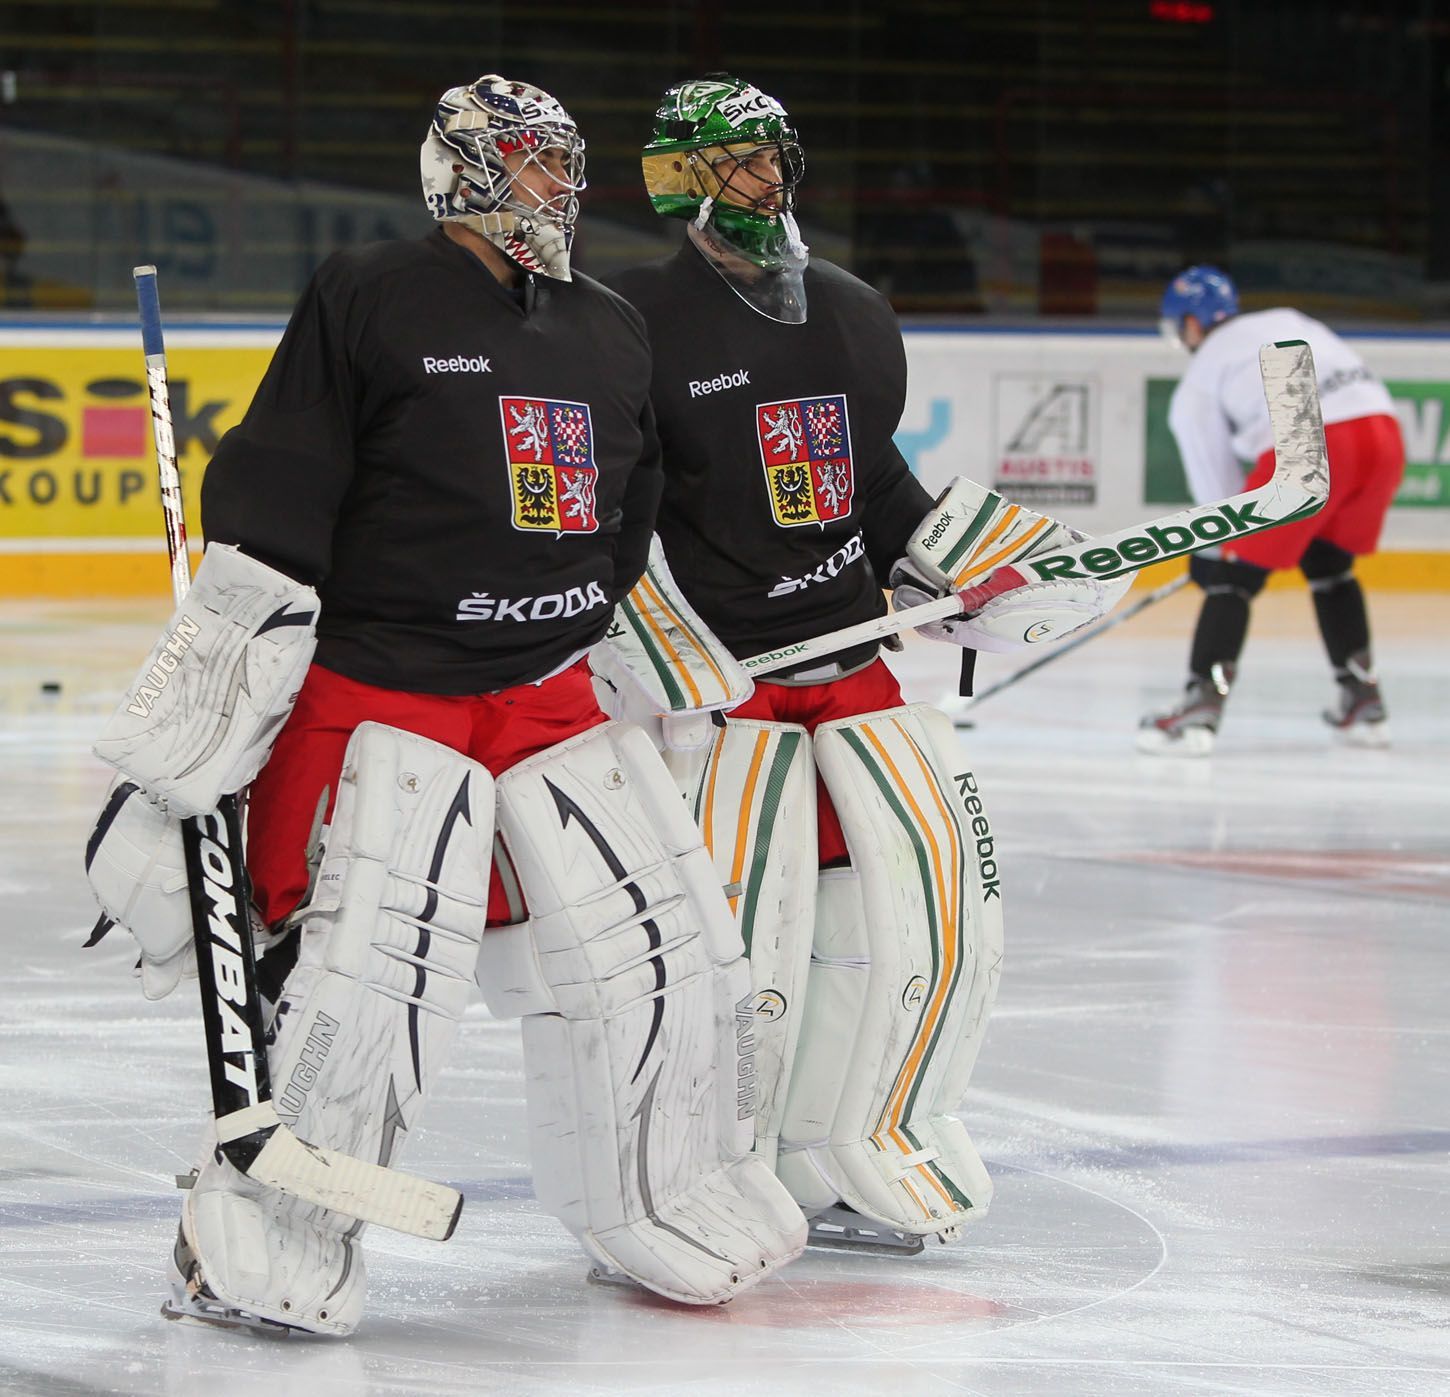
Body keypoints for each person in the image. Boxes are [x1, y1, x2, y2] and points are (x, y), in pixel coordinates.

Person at [84, 74, 805, 1337]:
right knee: (368, 981)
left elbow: (627, 507)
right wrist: (228, 659)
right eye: (532, 165)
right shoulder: (371, 291)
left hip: (545, 692)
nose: (560, 189)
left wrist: (612, 636)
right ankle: (262, 1231)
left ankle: (662, 1186)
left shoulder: (607, 322)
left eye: (566, 164)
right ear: (464, 171)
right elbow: (286, 472)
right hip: (387, 687)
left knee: (665, 949)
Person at [597, 75, 1128, 1252]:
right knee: (740, 933)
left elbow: (871, 490)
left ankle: (849, 1131)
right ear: (678, 173)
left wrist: (978, 565)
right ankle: (701, 1156)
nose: (766, 178)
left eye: (773, 154)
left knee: (916, 911)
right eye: (736, 158)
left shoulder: (845, 307)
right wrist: (656, 639)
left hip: (851, 666)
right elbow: (605, 517)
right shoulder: (626, 318)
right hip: (724, 691)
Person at [1141, 265, 1406, 754]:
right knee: (1329, 563)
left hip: (1317, 441)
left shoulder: (1199, 379)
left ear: (1192, 325)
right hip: (1383, 434)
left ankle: (1201, 705)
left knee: (1229, 577)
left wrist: (1217, 553)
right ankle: (1362, 698)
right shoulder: (1288, 316)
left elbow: (1219, 504)